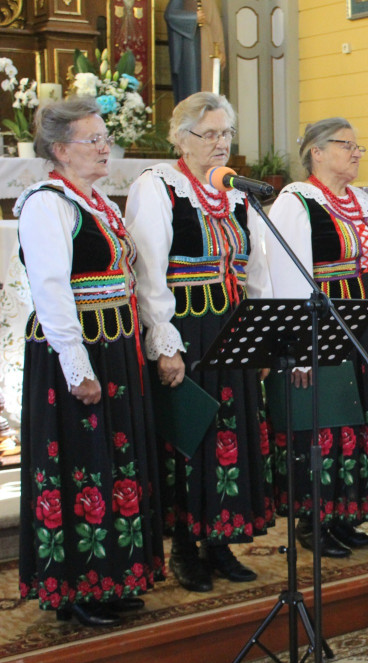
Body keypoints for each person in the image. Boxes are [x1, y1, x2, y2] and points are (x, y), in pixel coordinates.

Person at [16, 97, 164, 627]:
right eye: (93, 140)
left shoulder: (97, 200)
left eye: (106, 138)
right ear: (60, 149)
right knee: (80, 460)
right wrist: (77, 365)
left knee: (116, 459)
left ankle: (116, 576)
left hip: (115, 343)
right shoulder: (46, 203)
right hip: (76, 348)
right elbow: (51, 289)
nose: (106, 148)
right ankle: (77, 586)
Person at [125, 91, 273, 592]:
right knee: (192, 436)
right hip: (188, 328)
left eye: (225, 133)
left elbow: (255, 268)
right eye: (208, 134)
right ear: (180, 138)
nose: (219, 143)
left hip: (231, 327)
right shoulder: (157, 187)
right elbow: (149, 270)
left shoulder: (234, 193)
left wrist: (263, 337)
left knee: (232, 434)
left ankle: (221, 539)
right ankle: (185, 546)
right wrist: (164, 340)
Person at [265, 118, 368, 557]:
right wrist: (300, 348)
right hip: (325, 319)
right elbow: (287, 276)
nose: (357, 153)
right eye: (347, 145)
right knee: (326, 416)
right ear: (316, 153)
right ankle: (313, 518)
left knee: (358, 414)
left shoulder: (360, 199)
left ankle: (345, 511)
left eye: (358, 146)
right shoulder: (296, 201)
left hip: (367, 315)